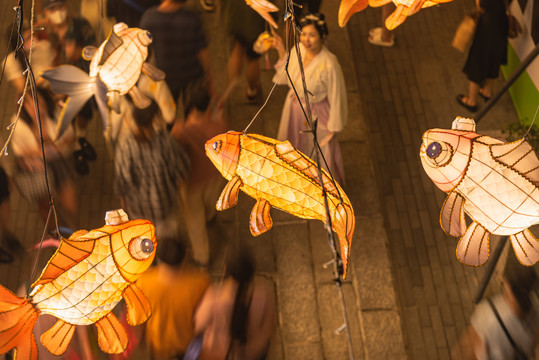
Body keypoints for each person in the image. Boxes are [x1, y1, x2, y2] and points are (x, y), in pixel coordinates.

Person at [272, 13, 348, 184]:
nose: (306, 39)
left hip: (317, 113)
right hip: (294, 107)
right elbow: (287, 75)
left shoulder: (329, 63)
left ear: (322, 37)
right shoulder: (297, 49)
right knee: (294, 144)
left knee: (318, 150)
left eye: (312, 35)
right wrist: (280, 49)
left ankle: (322, 186)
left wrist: (334, 127)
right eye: (304, 34)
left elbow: (337, 95)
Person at [171, 81, 228, 267]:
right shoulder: (219, 124)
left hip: (192, 180)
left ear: (189, 104)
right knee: (210, 202)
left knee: (194, 220)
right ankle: (211, 216)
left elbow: (173, 151)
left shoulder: (181, 130)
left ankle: (202, 256)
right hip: (214, 174)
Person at [38, 0, 97, 175]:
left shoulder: (79, 25)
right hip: (55, 87)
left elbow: (90, 51)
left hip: (81, 81)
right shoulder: (42, 31)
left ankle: (82, 138)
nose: (58, 12)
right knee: (64, 118)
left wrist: (74, 49)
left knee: (84, 113)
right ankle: (76, 148)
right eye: (53, 9)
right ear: (46, 12)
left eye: (61, 7)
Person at [113, 99, 190, 234]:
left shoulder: (125, 147)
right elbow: (182, 171)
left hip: (139, 213)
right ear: (156, 118)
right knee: (169, 249)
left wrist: (125, 212)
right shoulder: (167, 142)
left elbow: (122, 186)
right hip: (166, 209)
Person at [10, 87, 78, 236]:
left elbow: (70, 138)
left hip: (58, 162)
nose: (37, 109)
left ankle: (72, 232)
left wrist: (48, 138)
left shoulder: (56, 116)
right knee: (45, 204)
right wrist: (38, 150)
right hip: (36, 168)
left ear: (46, 102)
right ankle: (54, 232)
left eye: (40, 104)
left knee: (70, 204)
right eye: (30, 105)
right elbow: (19, 151)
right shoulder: (18, 124)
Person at [193, 245, 276, 360]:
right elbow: (268, 326)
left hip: (219, 353)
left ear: (225, 270)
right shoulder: (264, 294)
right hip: (254, 352)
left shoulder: (214, 298)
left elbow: (198, 325)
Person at [137, 233, 211, 359]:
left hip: (157, 346)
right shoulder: (200, 283)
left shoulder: (143, 282)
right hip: (187, 347)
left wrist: (141, 342)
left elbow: (139, 320)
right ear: (184, 256)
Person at [452, 257, 539, 359]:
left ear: (509, 288)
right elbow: (533, 346)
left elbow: (465, 349)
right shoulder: (536, 308)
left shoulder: (489, 312)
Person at [139, 0, 215, 112]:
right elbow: (202, 52)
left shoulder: (149, 18)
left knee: (168, 114)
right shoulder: (192, 18)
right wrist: (209, 77)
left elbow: (144, 51)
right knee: (192, 113)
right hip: (192, 77)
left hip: (165, 77)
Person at [456, 0, 508, 112]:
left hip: (487, 27)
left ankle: (471, 102)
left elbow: (482, 5)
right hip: (501, 23)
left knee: (477, 62)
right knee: (494, 58)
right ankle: (487, 92)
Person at [223, 0, 272, 102]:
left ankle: (230, 89)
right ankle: (252, 90)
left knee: (238, 48)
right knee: (253, 58)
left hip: (236, 12)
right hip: (255, 16)